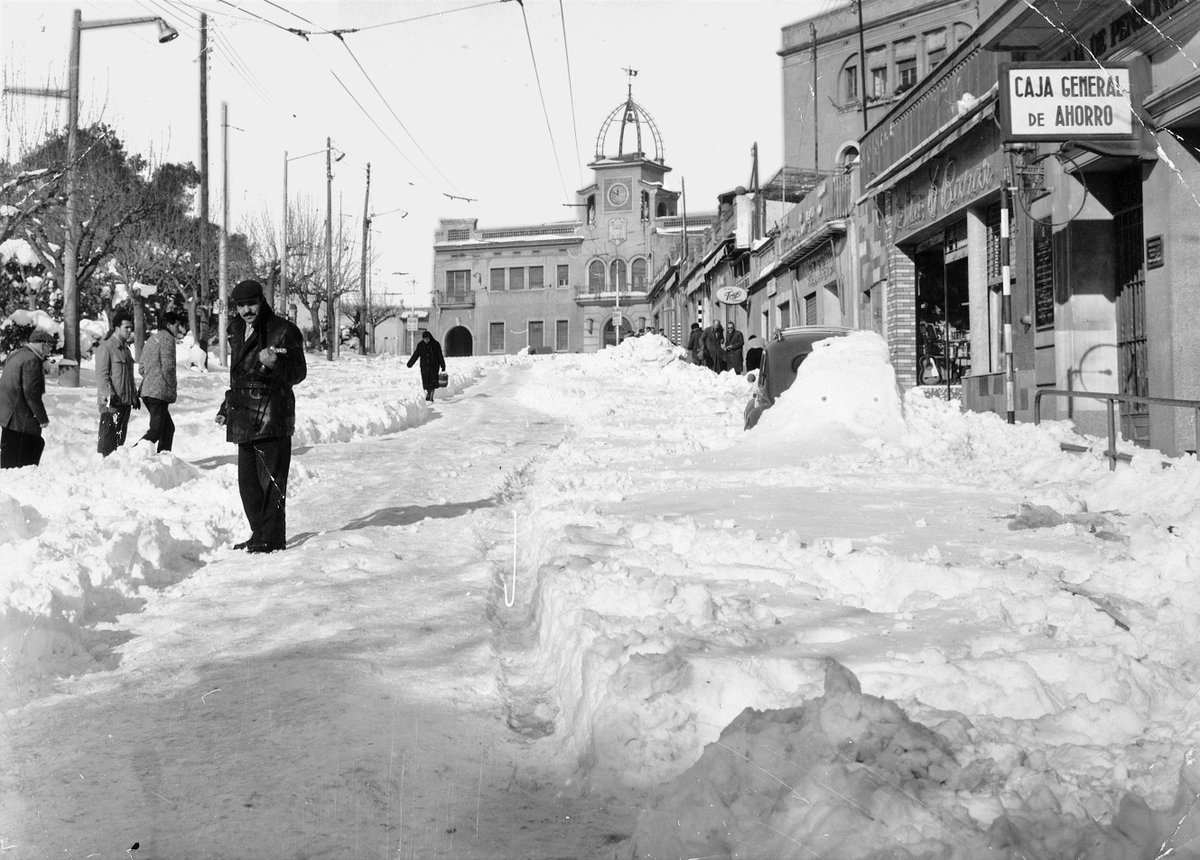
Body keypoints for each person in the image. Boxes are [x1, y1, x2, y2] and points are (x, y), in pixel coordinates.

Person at [216, 279, 307, 554]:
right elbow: (239, 376)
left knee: (271, 483)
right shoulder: (235, 329)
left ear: (262, 301)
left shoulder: (283, 331)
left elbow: (298, 372)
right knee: (249, 486)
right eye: (241, 306)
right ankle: (259, 533)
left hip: (272, 415)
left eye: (251, 304)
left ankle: (272, 537)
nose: (247, 311)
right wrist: (226, 406)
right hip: (244, 416)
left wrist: (274, 365)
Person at [0, 329, 53, 468]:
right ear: (43, 344)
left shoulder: (16, 355)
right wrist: (42, 419)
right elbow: (31, 394)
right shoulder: (32, 360)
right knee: (27, 459)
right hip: (21, 419)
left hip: (7, 416)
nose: (49, 350)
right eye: (49, 346)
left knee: (8, 462)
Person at [137, 311, 186, 453]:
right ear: (169, 324)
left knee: (167, 428)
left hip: (147, 391)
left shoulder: (152, 339)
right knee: (157, 430)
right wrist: (171, 387)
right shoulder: (167, 339)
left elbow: (141, 368)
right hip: (159, 392)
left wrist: (151, 377)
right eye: (177, 325)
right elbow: (168, 367)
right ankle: (136, 454)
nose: (179, 329)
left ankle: (163, 458)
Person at [95, 310, 138, 457]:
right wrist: (109, 395)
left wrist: (134, 395)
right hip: (111, 404)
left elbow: (129, 377)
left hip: (125, 402)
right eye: (126, 327)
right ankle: (103, 469)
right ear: (117, 328)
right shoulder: (106, 348)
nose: (129, 330)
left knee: (119, 441)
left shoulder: (126, 350)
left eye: (130, 327)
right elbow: (102, 375)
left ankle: (115, 470)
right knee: (108, 441)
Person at [407, 329, 446, 402]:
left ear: (430, 337)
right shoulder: (420, 345)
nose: (426, 340)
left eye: (427, 338)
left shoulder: (435, 344)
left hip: (434, 366)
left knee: (432, 381)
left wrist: (443, 365)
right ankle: (428, 392)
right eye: (424, 339)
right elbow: (416, 355)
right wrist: (410, 363)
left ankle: (431, 395)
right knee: (426, 382)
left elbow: (440, 355)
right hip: (424, 367)